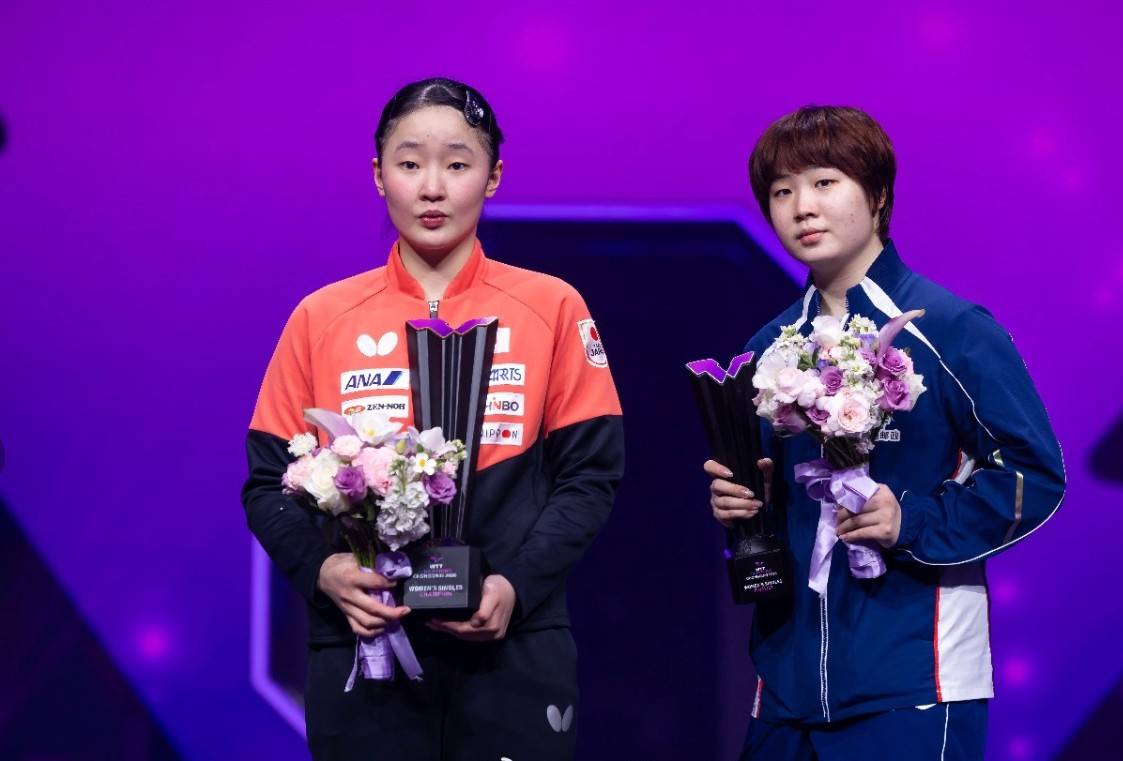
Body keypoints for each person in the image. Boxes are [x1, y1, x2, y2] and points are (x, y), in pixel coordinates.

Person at [242, 77, 624, 761]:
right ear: (378, 175)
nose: (432, 187)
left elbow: (591, 476)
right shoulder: (321, 317)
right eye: (410, 162)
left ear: (493, 176)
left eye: (457, 163)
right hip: (365, 647)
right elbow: (267, 483)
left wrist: (515, 587)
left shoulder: (552, 306)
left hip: (514, 645)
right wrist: (325, 570)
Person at [705, 106, 1065, 760]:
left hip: (914, 679)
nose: (802, 207)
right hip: (785, 690)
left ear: (877, 195)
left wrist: (911, 521)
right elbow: (773, 505)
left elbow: (1032, 476)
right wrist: (745, 507)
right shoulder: (769, 348)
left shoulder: (951, 329)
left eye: (824, 182)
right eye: (782, 192)